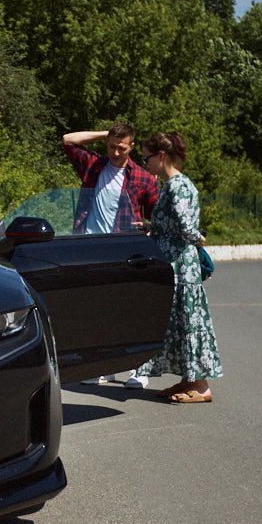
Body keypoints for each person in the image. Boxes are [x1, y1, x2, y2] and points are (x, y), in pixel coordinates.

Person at [63, 123, 160, 388]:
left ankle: (138, 369)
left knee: (130, 310)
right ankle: (103, 367)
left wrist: (149, 233)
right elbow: (69, 140)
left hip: (126, 251)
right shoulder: (93, 166)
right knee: (96, 310)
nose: (115, 152)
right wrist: (105, 133)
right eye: (111, 146)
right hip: (91, 248)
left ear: (131, 147)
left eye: (121, 147)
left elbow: (159, 217)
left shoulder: (144, 178)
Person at [133, 132, 223, 403]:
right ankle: (189, 380)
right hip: (174, 267)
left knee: (189, 324)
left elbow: (185, 227)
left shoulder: (177, 185)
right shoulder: (171, 185)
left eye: (147, 157)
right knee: (181, 325)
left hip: (182, 269)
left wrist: (198, 238)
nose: (145, 163)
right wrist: (151, 227)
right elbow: (175, 224)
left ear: (161, 156)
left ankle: (202, 387)